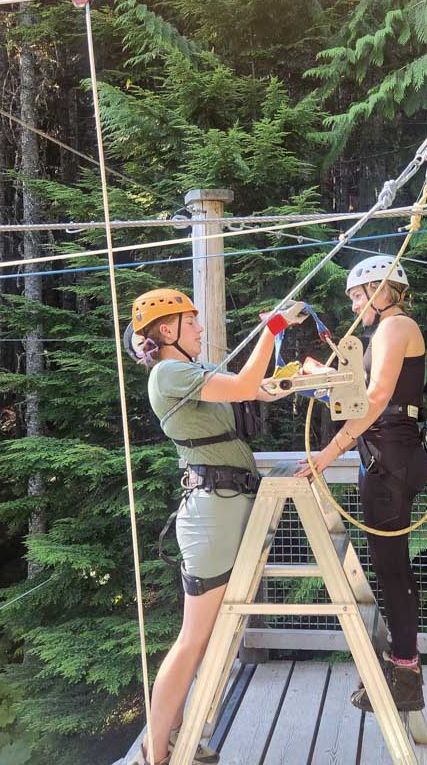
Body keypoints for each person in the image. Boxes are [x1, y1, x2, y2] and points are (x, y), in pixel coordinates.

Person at [128, 288, 306, 765]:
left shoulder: (192, 372)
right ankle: (155, 749)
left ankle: (177, 731)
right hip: (213, 513)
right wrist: (271, 330)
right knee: (194, 640)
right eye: (191, 321)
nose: (200, 328)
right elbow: (248, 383)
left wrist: (300, 377)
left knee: (208, 637)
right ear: (167, 331)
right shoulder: (169, 373)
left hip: (228, 505)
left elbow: (259, 387)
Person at [295, 256, 427, 713]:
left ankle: (405, 676)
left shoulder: (394, 328)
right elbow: (364, 397)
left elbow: (374, 400)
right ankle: (400, 670)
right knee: (388, 566)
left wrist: (325, 456)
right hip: (387, 455)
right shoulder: (387, 332)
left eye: (357, 295)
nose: (353, 306)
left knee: (391, 569)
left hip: (389, 457)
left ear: (382, 289)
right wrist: (322, 381)